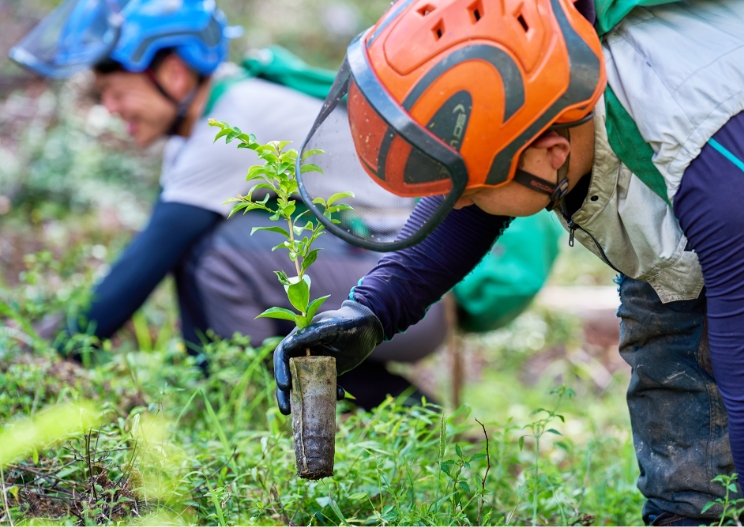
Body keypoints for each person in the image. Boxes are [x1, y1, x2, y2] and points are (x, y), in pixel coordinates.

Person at [271, 0, 744, 524]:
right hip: (683, 223)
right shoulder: (534, 75)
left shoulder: (704, 155)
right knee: (686, 482)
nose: (460, 205)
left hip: (726, 191)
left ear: (552, 152)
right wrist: (372, 309)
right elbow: (476, 184)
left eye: (469, 193)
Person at [9, 0, 564, 410]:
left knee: (213, 252)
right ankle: (408, 413)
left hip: (410, 293)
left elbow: (140, 268)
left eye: (115, 91)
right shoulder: (196, 131)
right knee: (224, 249)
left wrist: (37, 358)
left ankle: (237, 408)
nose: (111, 108)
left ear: (172, 72)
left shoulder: (235, 117)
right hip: (386, 291)